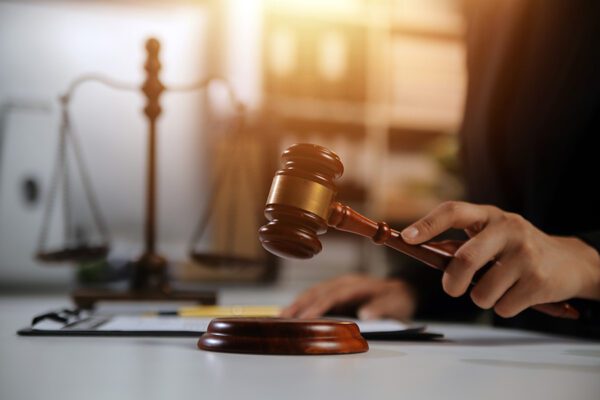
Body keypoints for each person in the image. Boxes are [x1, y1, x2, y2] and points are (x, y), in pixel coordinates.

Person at [281, 0, 600, 337]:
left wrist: (589, 262)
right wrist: (415, 288)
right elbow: (499, 221)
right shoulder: (487, 13)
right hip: (517, 360)